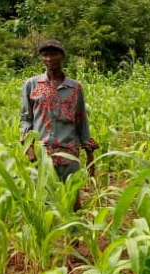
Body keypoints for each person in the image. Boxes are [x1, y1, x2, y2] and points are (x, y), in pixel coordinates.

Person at [20, 39, 98, 211]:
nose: (49, 59)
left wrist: (90, 154)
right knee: (42, 202)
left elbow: (81, 120)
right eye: (45, 55)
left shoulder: (75, 87)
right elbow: (26, 118)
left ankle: (74, 237)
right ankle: (46, 237)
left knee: (73, 201)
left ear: (62, 57)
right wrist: (28, 147)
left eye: (53, 54)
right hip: (42, 155)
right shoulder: (31, 85)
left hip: (68, 153)